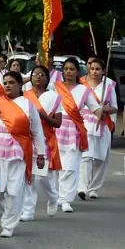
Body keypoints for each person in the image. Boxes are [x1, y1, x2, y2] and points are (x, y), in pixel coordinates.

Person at [0, 71, 46, 238]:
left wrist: (41, 154)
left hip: (18, 153)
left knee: (14, 191)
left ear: (20, 85)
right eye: (5, 82)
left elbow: (37, 132)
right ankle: (2, 212)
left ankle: (9, 225)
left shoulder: (28, 105)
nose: (7, 85)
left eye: (11, 82)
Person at [53, 58, 101, 212]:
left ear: (77, 71)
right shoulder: (55, 88)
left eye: (72, 69)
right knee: (57, 165)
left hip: (75, 130)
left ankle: (66, 199)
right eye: (66, 69)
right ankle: (56, 196)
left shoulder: (84, 90)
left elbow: (95, 108)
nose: (68, 72)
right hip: (57, 128)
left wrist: (101, 113)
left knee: (71, 166)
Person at [21, 66, 63, 221]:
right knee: (28, 177)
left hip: (45, 140)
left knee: (41, 178)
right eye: (34, 74)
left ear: (47, 78)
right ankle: (28, 211)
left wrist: (42, 117)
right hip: (27, 140)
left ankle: (53, 197)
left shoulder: (53, 97)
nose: (37, 77)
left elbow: (58, 123)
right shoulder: (24, 96)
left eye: (41, 74)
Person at [78, 58, 117, 199]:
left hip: (103, 124)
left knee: (100, 158)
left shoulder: (109, 86)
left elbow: (114, 108)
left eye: (98, 69)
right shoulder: (81, 83)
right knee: (86, 156)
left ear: (103, 71)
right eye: (92, 68)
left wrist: (104, 108)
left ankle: (94, 187)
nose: (94, 71)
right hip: (85, 123)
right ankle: (82, 186)